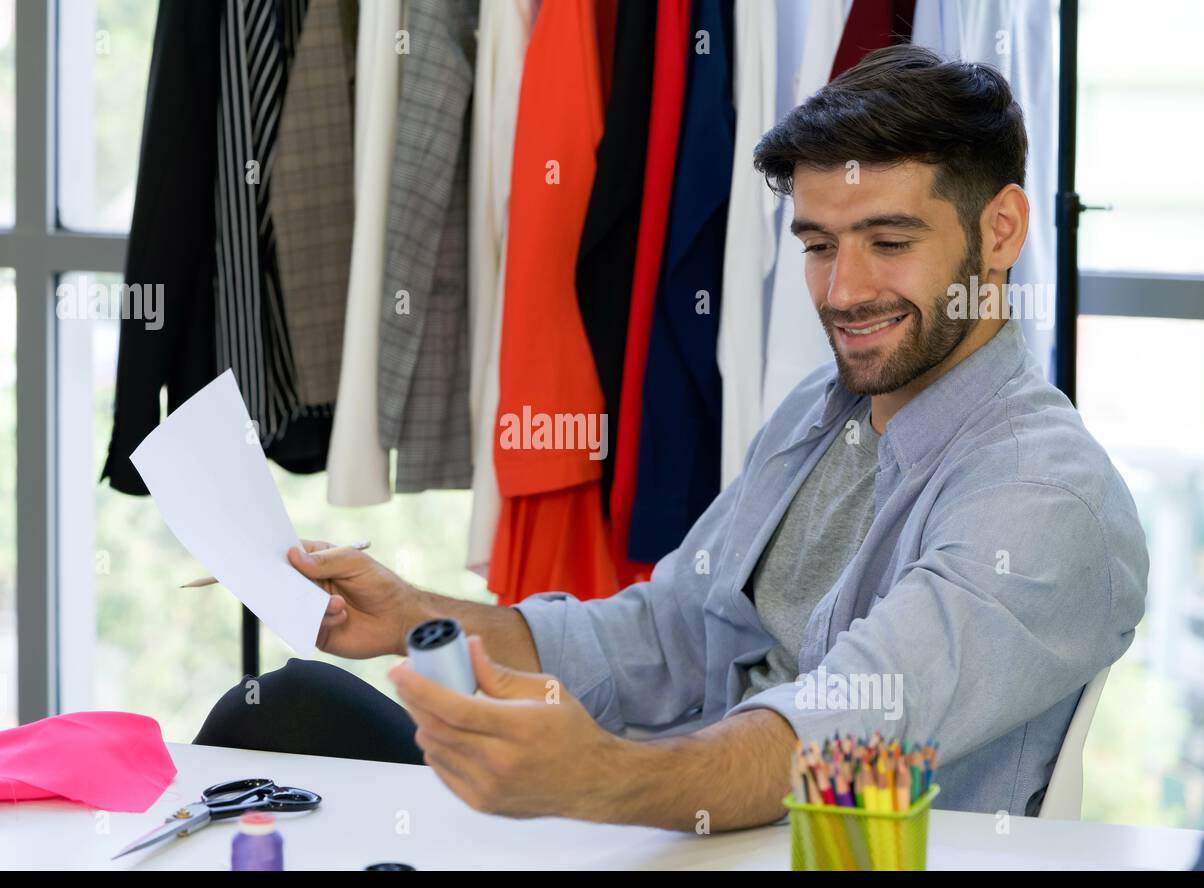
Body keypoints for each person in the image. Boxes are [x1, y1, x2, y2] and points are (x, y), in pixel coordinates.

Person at [194, 45, 1149, 833]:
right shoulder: (822, 415)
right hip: (678, 821)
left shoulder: (1044, 499)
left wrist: (603, 779)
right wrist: (414, 614)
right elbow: (667, 631)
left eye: (888, 242)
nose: (844, 291)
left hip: (802, 846)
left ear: (1001, 229)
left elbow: (839, 733)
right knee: (279, 709)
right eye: (818, 245)